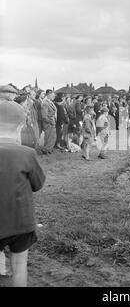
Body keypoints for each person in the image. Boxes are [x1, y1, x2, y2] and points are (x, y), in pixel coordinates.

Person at [0, 101, 46, 287]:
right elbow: (38, 184)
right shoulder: (27, 153)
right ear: (21, 125)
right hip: (21, 223)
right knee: (19, 265)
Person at [41, 90, 57, 154]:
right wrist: (50, 122)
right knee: (48, 136)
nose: (54, 97)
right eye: (53, 95)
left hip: (52, 121)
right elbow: (44, 115)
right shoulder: (45, 103)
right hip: (49, 123)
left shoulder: (50, 102)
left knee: (52, 136)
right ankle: (46, 150)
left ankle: (49, 149)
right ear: (49, 95)